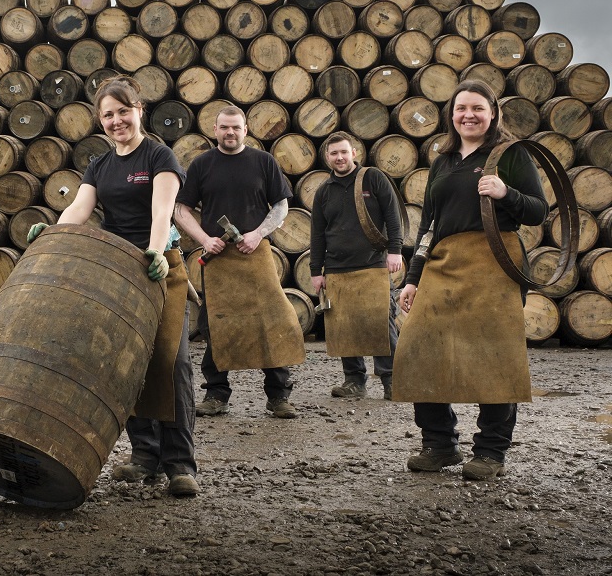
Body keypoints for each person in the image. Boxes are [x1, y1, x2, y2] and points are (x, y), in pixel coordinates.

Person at [27, 75, 199, 497]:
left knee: (171, 362)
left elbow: (162, 214)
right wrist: (52, 234)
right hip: (117, 274)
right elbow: (78, 208)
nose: (117, 120)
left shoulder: (159, 156)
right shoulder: (99, 165)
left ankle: (179, 463)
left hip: (161, 268)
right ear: (99, 120)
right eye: (108, 114)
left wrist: (156, 252)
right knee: (125, 365)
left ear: (139, 110)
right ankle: (145, 454)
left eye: (124, 111)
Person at [394, 80, 548, 481]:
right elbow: (429, 226)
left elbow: (537, 211)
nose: (469, 115)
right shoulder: (443, 160)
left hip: (494, 265)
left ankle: (491, 452)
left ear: (493, 113)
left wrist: (505, 193)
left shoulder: (509, 155)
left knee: (495, 358)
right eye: (462, 108)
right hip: (444, 264)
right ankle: (440, 444)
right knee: (420, 349)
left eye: (478, 108)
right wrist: (413, 278)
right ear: (452, 115)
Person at [174, 105, 306, 419]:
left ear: (245, 130)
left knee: (270, 322)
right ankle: (216, 395)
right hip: (217, 257)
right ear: (215, 130)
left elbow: (281, 205)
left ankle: (278, 397)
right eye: (224, 127)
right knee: (217, 324)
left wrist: (258, 233)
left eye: (236, 127)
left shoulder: (263, 162)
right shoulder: (202, 165)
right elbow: (181, 210)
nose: (230, 133)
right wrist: (205, 239)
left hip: (255, 252)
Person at [309, 131, 403, 400]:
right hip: (337, 268)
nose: (340, 157)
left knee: (381, 322)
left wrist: (395, 250)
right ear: (327, 157)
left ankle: (391, 379)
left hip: (372, 264)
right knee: (344, 325)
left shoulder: (373, 178)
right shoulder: (324, 191)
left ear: (354, 153)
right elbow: (317, 233)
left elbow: (393, 217)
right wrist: (316, 270)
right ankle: (354, 381)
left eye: (344, 152)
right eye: (334, 153)